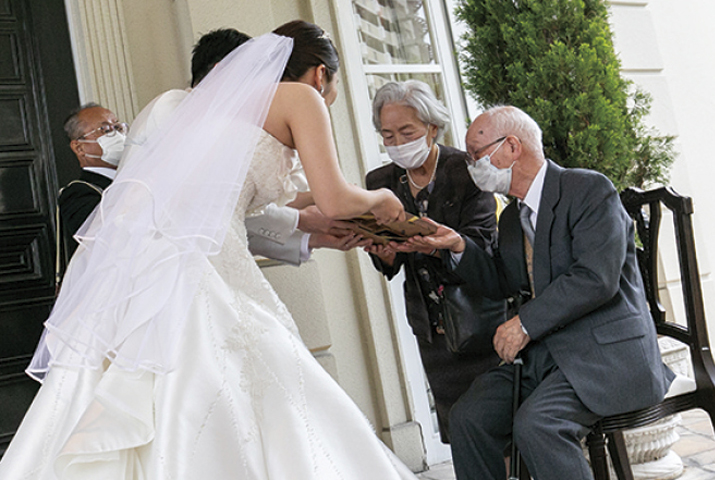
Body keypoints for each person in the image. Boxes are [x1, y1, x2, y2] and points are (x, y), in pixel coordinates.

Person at [0, 21, 415, 479]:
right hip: (206, 265)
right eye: (331, 91)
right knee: (257, 381)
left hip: (159, 266)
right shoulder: (301, 98)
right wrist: (382, 200)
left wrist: (314, 226)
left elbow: (230, 195)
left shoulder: (205, 110)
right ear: (320, 75)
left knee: (163, 395)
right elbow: (333, 195)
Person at [409, 105, 674, 480]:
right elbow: (503, 282)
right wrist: (456, 246)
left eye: (476, 154)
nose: (471, 166)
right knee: (468, 418)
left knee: (538, 426)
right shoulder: (513, 218)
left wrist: (525, 324)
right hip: (545, 358)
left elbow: (596, 278)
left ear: (512, 146)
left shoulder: (588, 189)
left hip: (605, 354)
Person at [123, 28, 363, 266]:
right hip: (156, 256)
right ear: (223, 72)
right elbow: (198, 204)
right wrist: (301, 218)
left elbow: (233, 210)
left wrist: (312, 235)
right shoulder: (172, 109)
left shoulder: (230, 128)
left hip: (201, 257)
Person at [364, 80, 503, 443]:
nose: (397, 143)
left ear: (432, 127)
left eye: (406, 132)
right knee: (457, 428)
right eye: (387, 135)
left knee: (499, 430)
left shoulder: (465, 171)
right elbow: (390, 259)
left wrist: (436, 246)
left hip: (480, 319)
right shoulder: (380, 182)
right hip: (431, 325)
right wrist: (386, 255)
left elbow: (482, 244)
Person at [59, 103, 128, 258]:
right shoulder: (78, 193)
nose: (116, 135)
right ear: (79, 148)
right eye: (105, 130)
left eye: (117, 127)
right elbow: (103, 239)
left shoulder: (133, 177)